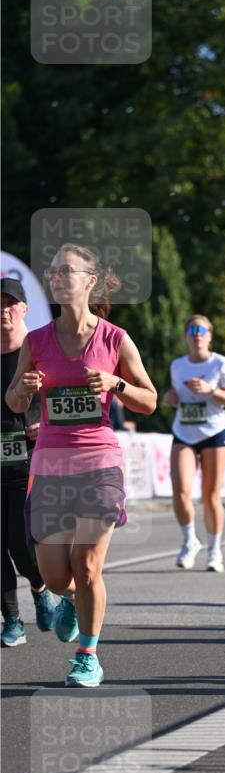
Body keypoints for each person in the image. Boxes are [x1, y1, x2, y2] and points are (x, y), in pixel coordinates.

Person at [5, 244, 157, 686]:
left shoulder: (114, 339)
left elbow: (148, 400)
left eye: (65, 271)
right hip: (50, 465)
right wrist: (23, 390)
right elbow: (13, 401)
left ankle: (87, 655)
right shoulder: (36, 341)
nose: (56, 278)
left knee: (87, 565)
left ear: (90, 281)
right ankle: (69, 599)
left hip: (99, 463)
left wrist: (115, 383)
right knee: (55, 577)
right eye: (52, 272)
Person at [1, 277, 59, 646]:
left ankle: (39, 587)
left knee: (21, 544)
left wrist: (47, 423)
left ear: (24, 308)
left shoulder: (40, 349)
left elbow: (65, 394)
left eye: (9, 303)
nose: (3, 310)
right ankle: (12, 621)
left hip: (30, 461)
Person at [163, 315, 225, 571]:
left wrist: (211, 390)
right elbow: (177, 397)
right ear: (186, 336)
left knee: (211, 496)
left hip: (214, 431)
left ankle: (215, 550)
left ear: (210, 336)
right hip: (184, 431)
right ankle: (189, 541)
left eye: (202, 330)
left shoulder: (222, 363)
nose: (197, 334)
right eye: (192, 330)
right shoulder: (177, 365)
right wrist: (171, 398)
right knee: (181, 492)